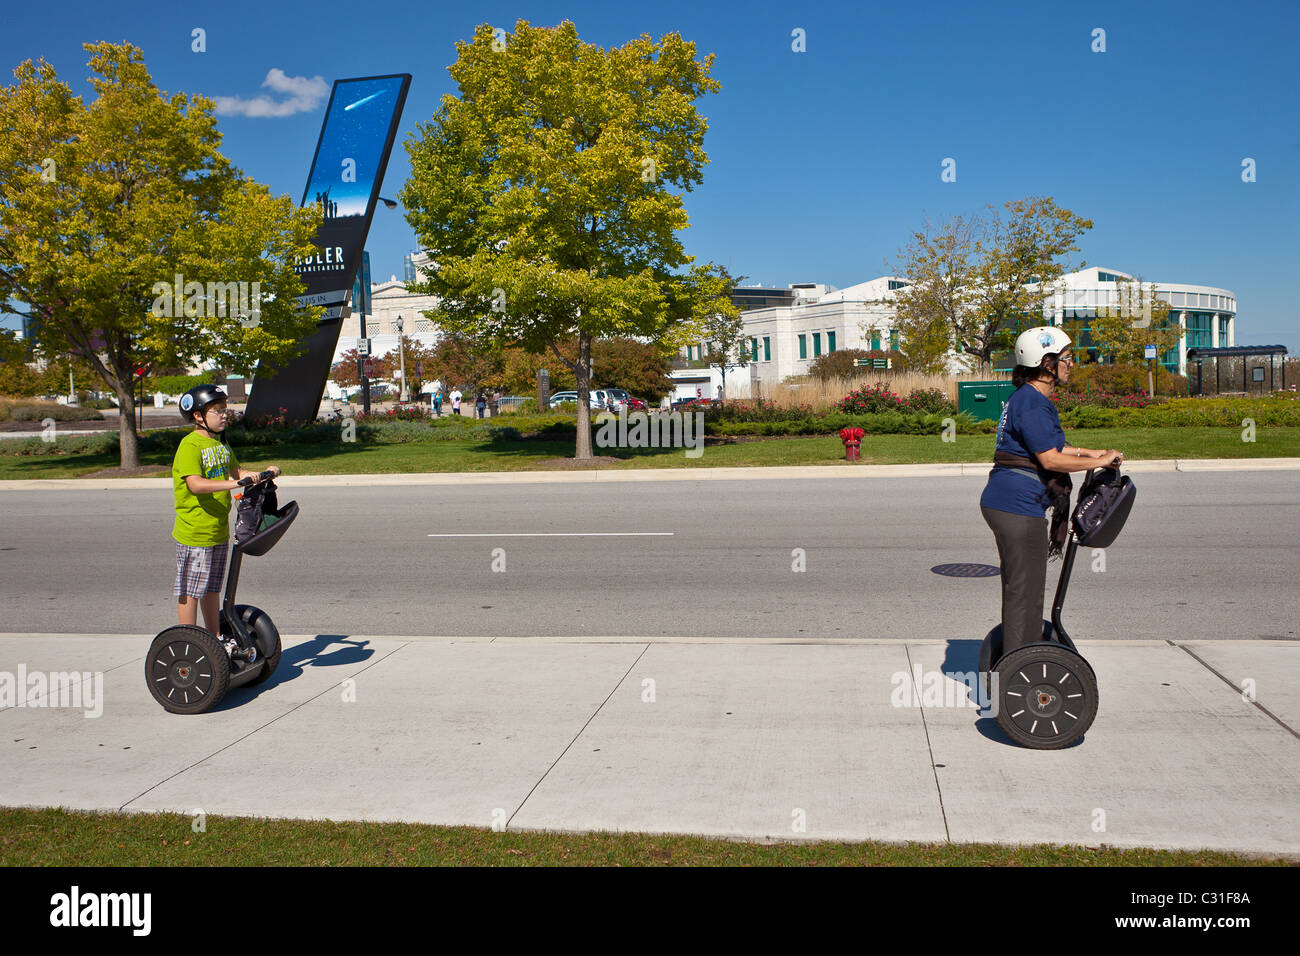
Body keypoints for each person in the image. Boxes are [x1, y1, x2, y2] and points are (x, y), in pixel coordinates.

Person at [979, 327, 1123, 656]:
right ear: (1046, 363)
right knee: (1025, 594)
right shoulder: (1031, 401)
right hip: (1016, 506)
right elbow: (1050, 458)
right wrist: (1096, 463)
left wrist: (1093, 454)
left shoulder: (1030, 399)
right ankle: (1018, 673)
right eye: (1065, 358)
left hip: (1009, 502)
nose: (1070, 364)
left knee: (1023, 590)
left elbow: (1055, 446)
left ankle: (1017, 659)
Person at [172, 384, 280, 634]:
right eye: (217, 411)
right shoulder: (190, 446)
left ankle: (214, 639)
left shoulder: (220, 444)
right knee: (190, 591)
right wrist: (234, 483)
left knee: (211, 589)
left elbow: (237, 472)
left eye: (225, 410)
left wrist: (262, 473)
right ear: (198, 416)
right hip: (194, 532)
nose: (224, 415)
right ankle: (188, 641)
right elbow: (195, 484)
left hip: (217, 531)